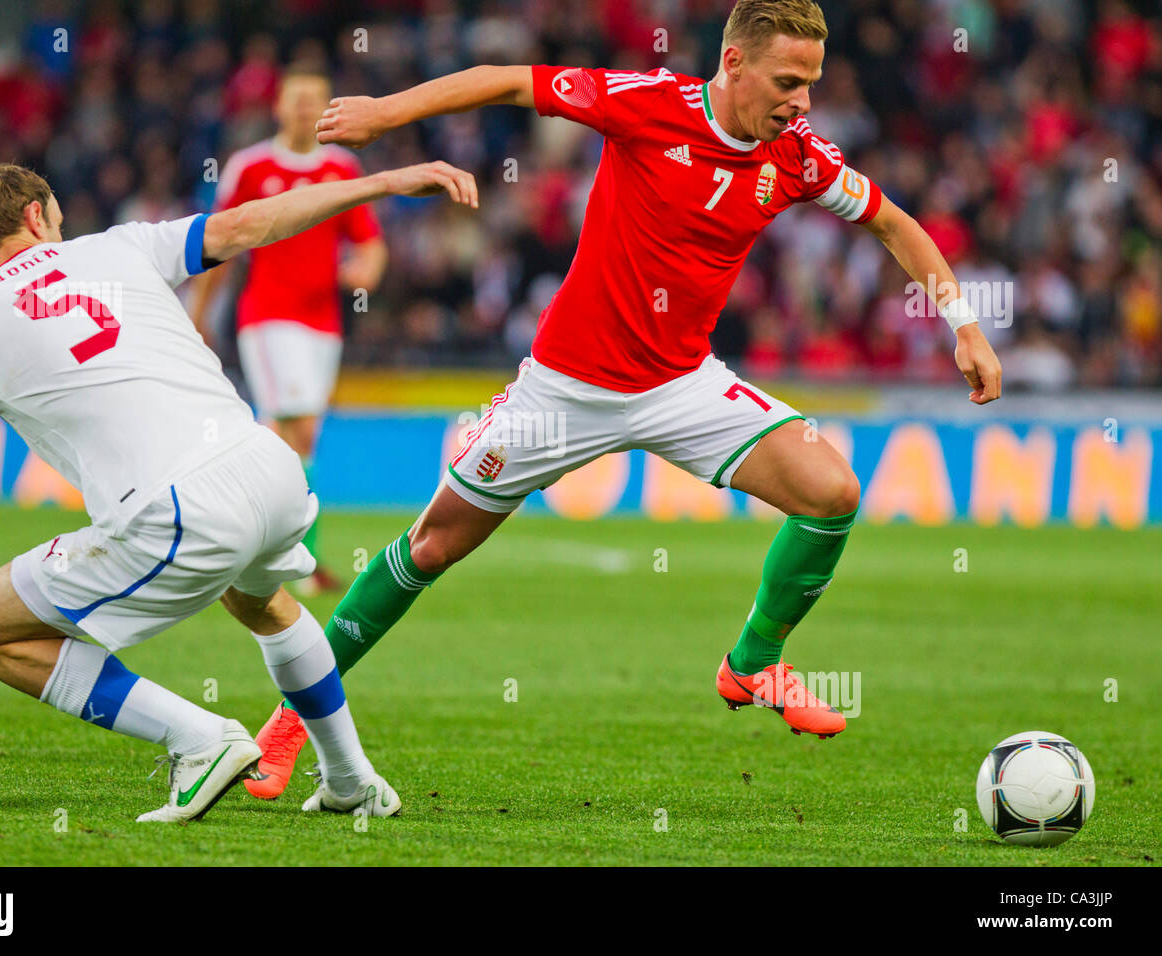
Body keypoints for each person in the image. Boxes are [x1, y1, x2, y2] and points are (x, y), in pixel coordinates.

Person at [245, 0, 1003, 796]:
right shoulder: (646, 103)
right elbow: (509, 82)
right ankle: (292, 721)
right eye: (788, 81)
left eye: (811, 83)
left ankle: (752, 663)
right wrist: (385, 113)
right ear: (734, 63)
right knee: (430, 548)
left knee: (832, 491)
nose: (802, 101)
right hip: (565, 388)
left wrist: (965, 326)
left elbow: (895, 224)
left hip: (683, 383)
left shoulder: (799, 156)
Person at [0, 158, 478, 822]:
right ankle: (350, 778)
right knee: (262, 604)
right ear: (35, 216)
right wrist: (381, 183)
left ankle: (199, 740)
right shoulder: (119, 246)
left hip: (180, 510)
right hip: (269, 470)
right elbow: (249, 224)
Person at [190, 64, 387, 596]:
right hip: (268, 316)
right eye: (297, 99)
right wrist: (199, 313)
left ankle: (252, 549)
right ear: (278, 107)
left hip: (323, 321)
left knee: (293, 437)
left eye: (317, 100)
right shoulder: (250, 167)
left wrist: (368, 268)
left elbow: (368, 239)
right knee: (294, 432)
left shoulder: (343, 165)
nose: (306, 109)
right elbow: (219, 242)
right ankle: (303, 560)